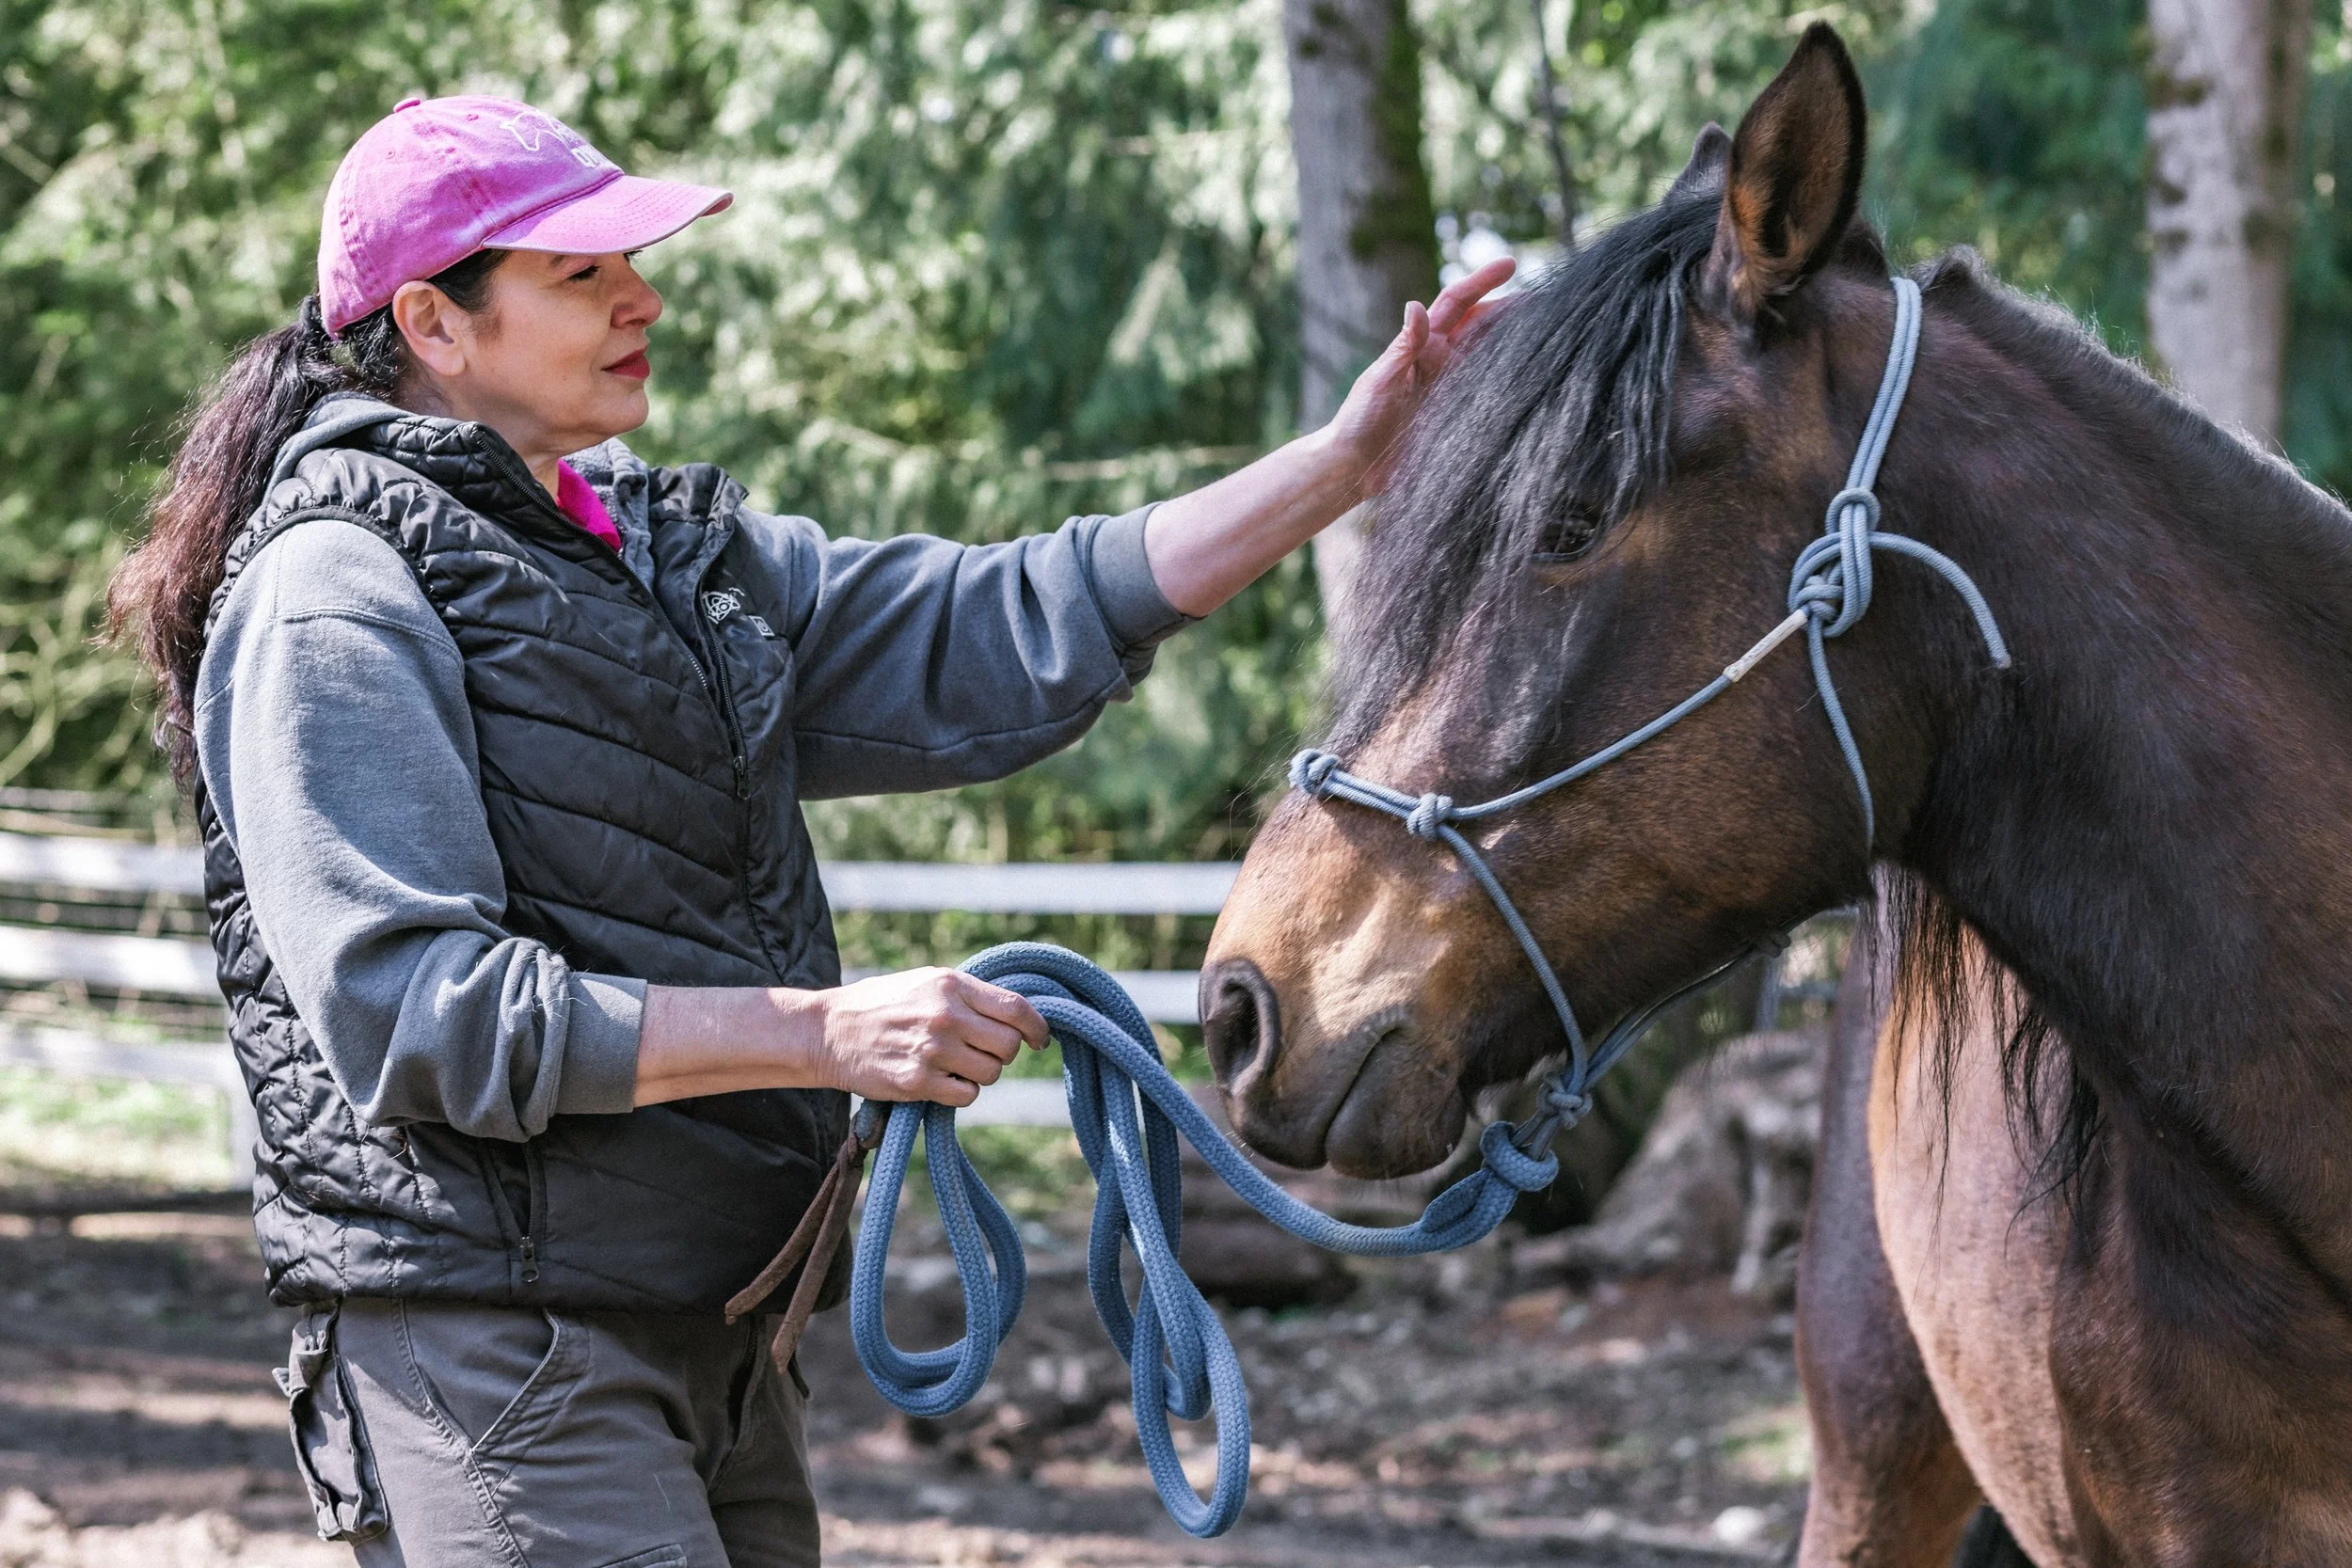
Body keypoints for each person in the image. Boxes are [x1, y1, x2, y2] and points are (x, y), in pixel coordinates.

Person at [107, 94, 1509, 1568]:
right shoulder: (332, 593)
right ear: (433, 323)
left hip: (718, 1327)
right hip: (496, 1344)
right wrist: (826, 1034)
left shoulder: (672, 561)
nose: (642, 298)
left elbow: (999, 620)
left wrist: (1342, 464)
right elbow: (421, 1016)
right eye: (581, 274)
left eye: (631, 263)